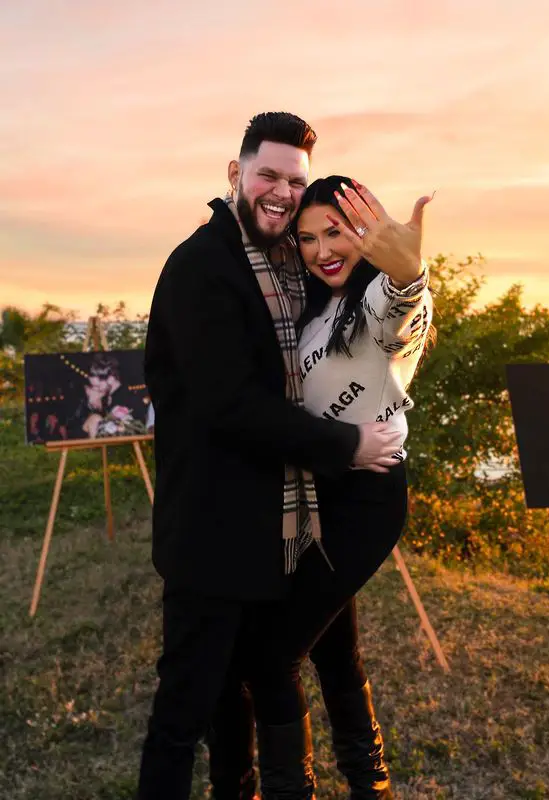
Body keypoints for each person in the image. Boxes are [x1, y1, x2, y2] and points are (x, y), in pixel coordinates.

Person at [137, 113, 412, 800]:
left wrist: (406, 271)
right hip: (212, 524)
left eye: (295, 180)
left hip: (281, 517)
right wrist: (346, 443)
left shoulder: (288, 266)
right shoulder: (203, 268)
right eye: (269, 175)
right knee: (191, 702)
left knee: (280, 665)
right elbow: (229, 403)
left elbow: (389, 317)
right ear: (236, 174)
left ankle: (298, 785)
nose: (284, 193)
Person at [207, 175, 435, 799]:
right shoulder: (319, 306)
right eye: (307, 237)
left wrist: (410, 275)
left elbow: (400, 311)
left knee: (268, 658)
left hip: (364, 498)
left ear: (368, 230)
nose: (320, 248)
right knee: (335, 654)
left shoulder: (376, 304)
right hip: (315, 493)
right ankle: (372, 785)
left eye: (335, 231)